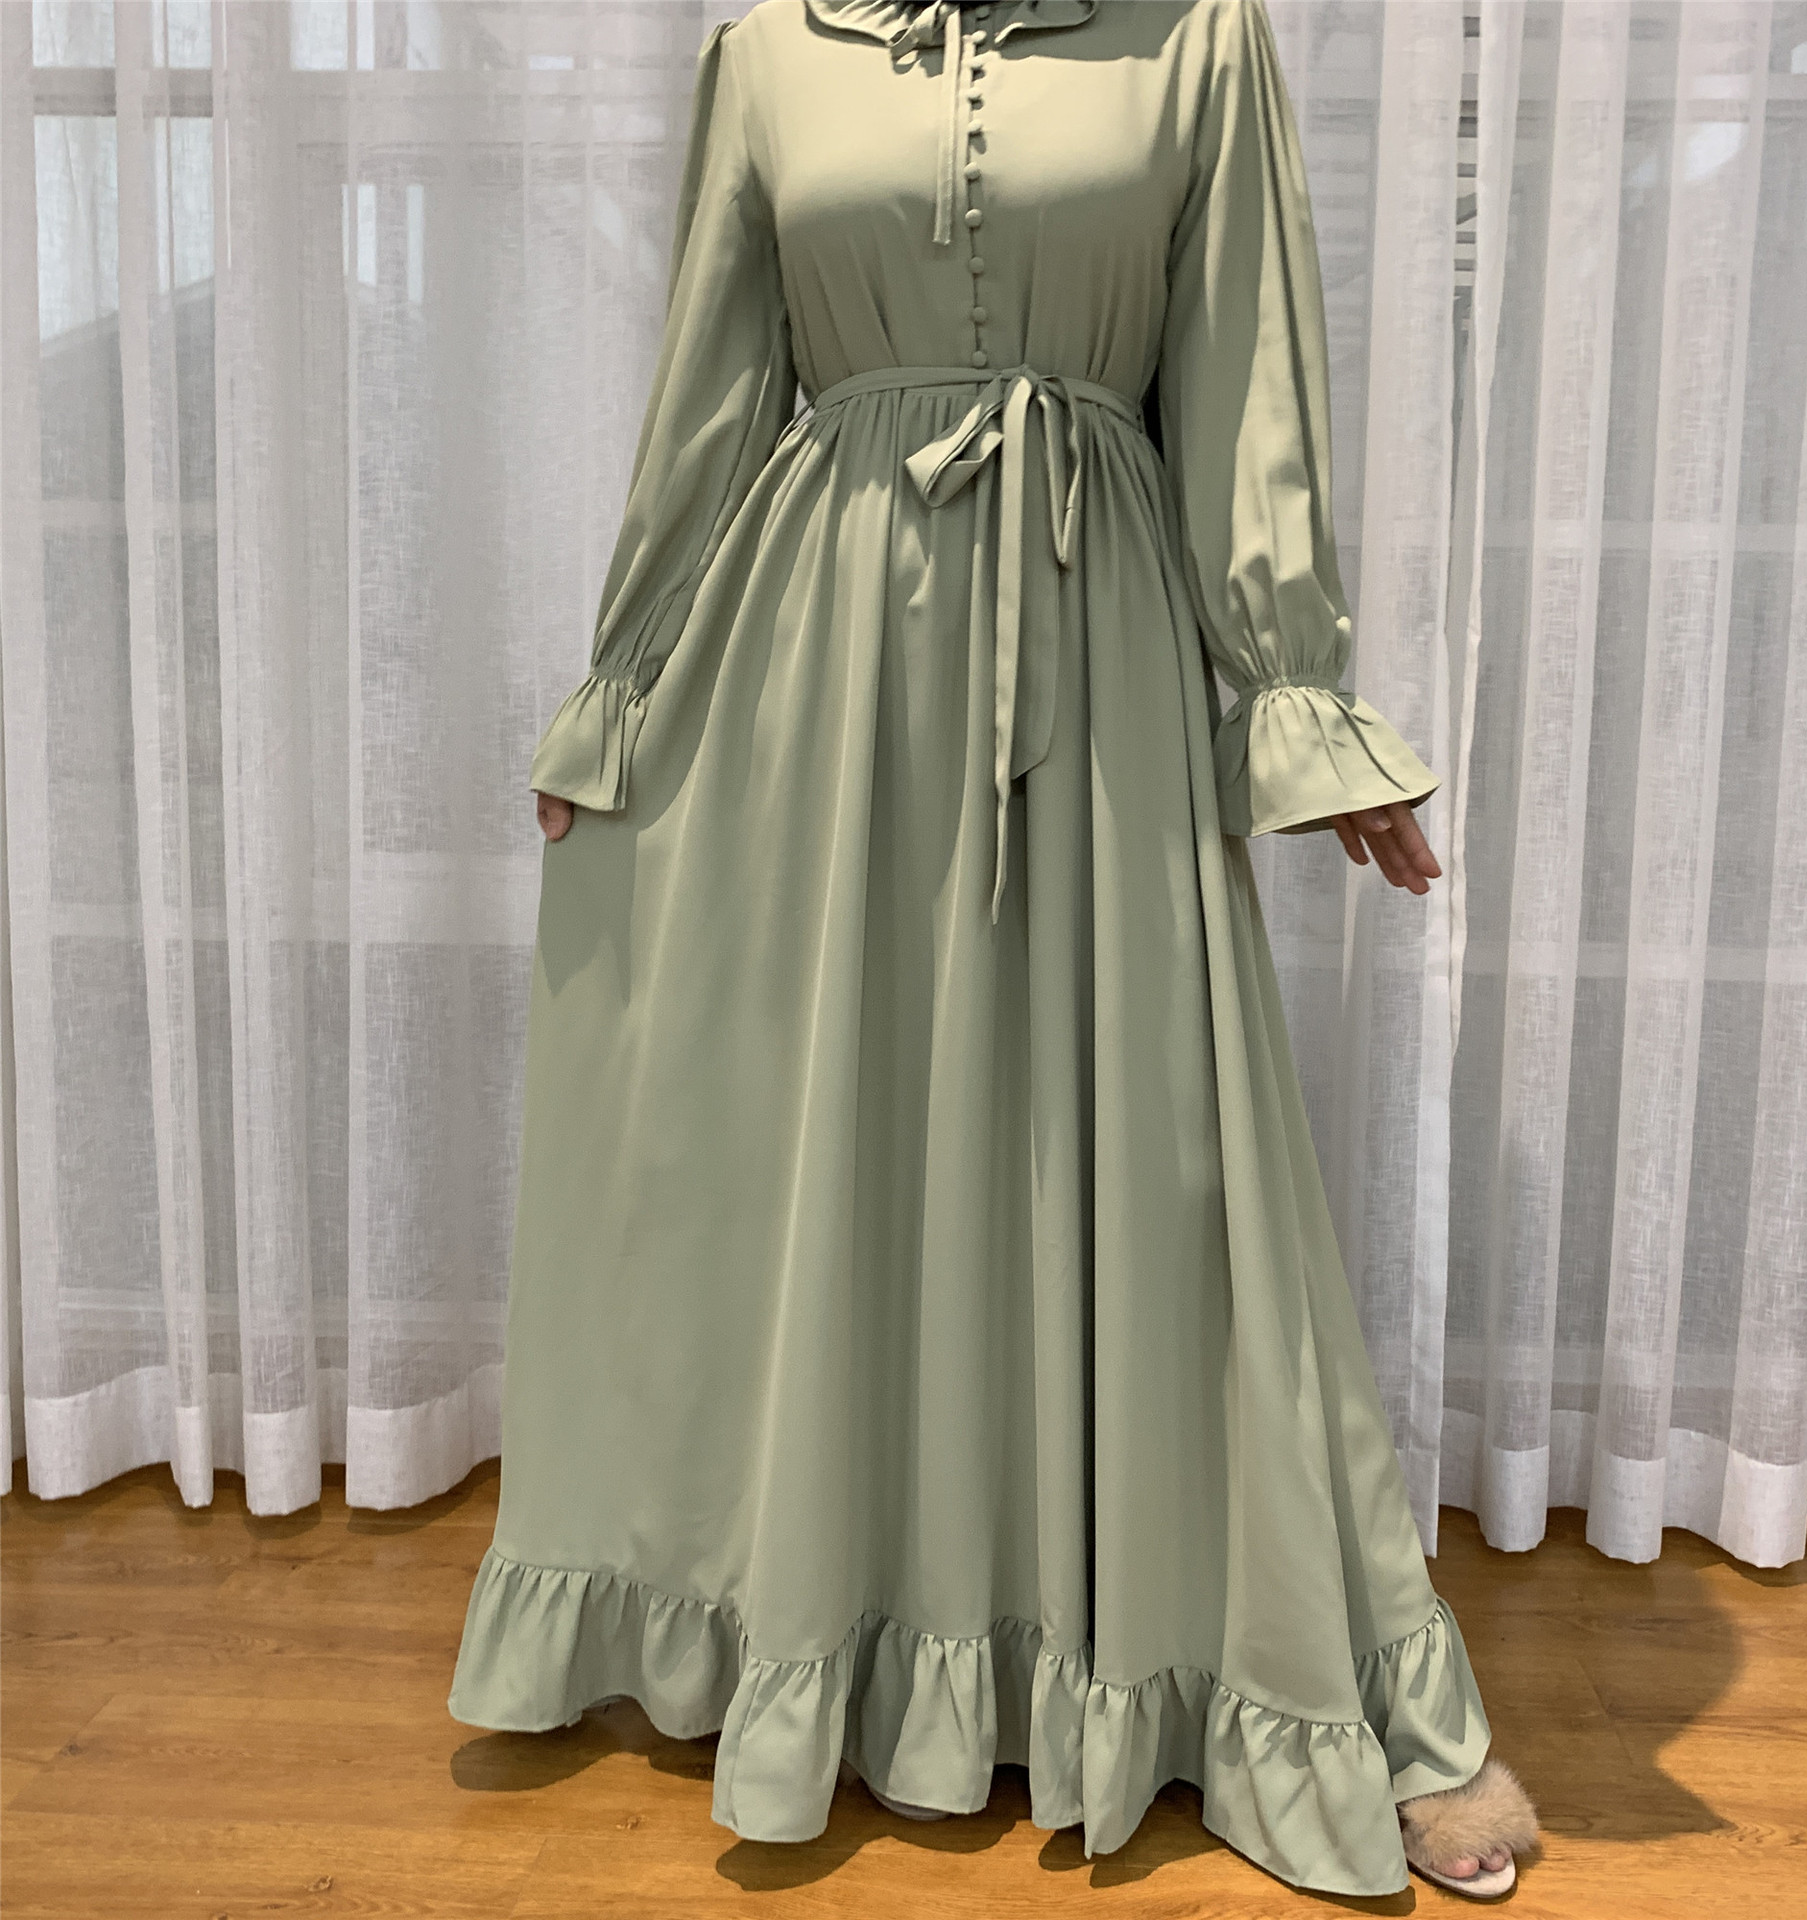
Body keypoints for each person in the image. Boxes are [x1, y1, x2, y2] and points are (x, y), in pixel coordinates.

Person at [448, 0, 1539, 1899]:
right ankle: (836, 1637)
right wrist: (624, 688)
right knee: (825, 1159)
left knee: (1159, 1181)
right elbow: (713, 395)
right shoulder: (767, 47)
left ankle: (1295, 1681)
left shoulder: (1200, 41)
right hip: (819, 671)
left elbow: (1250, 387)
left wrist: (1293, 699)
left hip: (1095, 650)